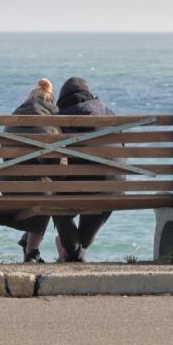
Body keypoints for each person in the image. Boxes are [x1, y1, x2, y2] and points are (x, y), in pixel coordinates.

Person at [0, 78, 62, 262]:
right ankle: (31, 252)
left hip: (10, 188)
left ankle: (28, 244)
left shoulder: (12, 120)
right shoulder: (52, 123)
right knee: (48, 192)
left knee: (40, 187)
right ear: (50, 101)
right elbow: (60, 165)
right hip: (38, 190)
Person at [53, 76, 116, 262]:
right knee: (103, 191)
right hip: (112, 190)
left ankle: (73, 252)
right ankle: (76, 252)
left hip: (79, 188)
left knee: (51, 197)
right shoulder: (109, 114)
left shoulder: (60, 118)